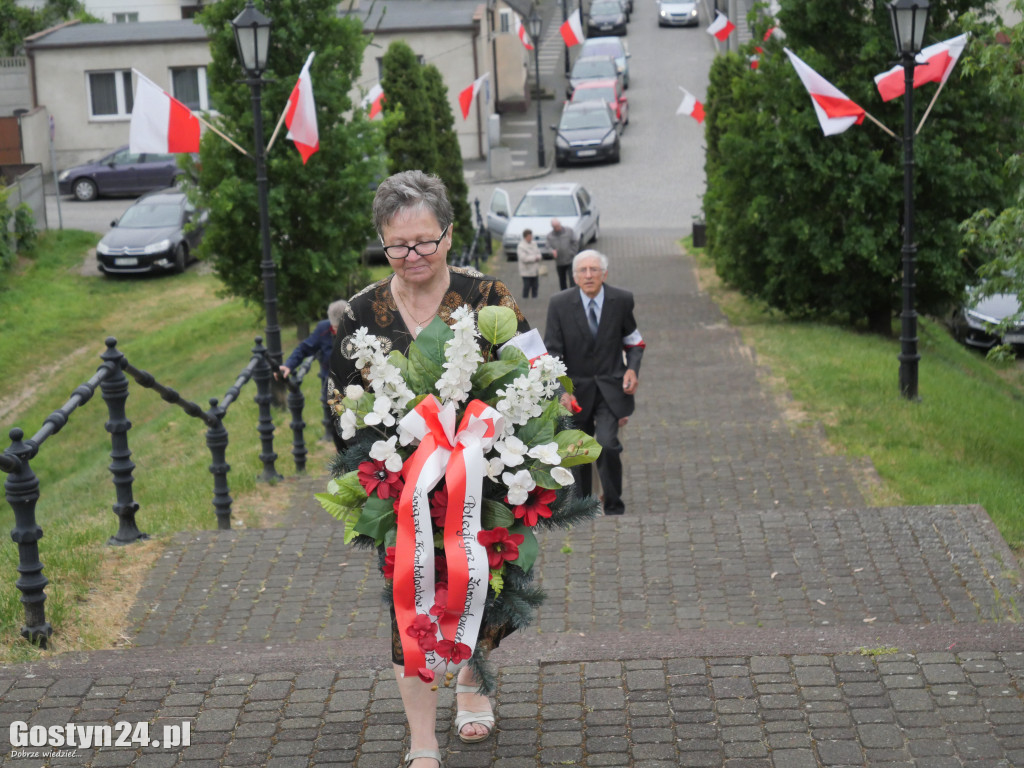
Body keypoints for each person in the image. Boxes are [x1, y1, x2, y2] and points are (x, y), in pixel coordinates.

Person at [329, 170, 529, 768]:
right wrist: (379, 472)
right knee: (410, 605)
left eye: (425, 240)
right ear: (382, 242)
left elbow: (532, 378)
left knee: (480, 591)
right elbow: (340, 407)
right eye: (398, 245)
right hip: (402, 492)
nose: (413, 255)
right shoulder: (361, 315)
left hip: (486, 480)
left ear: (448, 232)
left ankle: (470, 679)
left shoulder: (488, 298)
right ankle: (422, 738)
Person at [543, 249, 644, 516]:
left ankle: (613, 503)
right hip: (576, 392)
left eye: (594, 270)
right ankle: (584, 504)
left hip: (611, 389)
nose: (589, 275)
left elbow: (634, 342)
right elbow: (551, 353)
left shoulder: (621, 300)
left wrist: (633, 370)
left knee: (609, 444)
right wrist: (561, 391)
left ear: (604, 274)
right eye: (583, 271)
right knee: (580, 450)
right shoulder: (559, 304)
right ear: (574, 277)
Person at [279, 299, 349, 452]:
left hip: (353, 384)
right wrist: (289, 365)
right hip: (331, 386)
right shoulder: (323, 329)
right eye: (335, 329)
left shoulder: (356, 327)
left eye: (341, 328)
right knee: (336, 426)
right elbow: (304, 348)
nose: (338, 333)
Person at [547, 218, 579, 291]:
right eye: (555, 227)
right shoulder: (549, 236)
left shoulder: (569, 231)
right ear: (552, 227)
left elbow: (575, 242)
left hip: (570, 260)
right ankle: (564, 294)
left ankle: (573, 292)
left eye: (558, 226)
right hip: (559, 262)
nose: (557, 228)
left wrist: (572, 252)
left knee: (572, 279)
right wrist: (552, 251)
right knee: (562, 280)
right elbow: (547, 247)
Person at [516, 228, 542, 299]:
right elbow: (523, 258)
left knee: (535, 286)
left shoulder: (534, 244)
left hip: (535, 270)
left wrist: (538, 257)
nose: (530, 238)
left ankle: (535, 299)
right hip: (526, 271)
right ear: (525, 237)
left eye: (531, 236)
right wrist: (534, 258)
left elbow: (539, 254)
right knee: (526, 286)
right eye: (529, 236)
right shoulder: (521, 246)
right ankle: (525, 299)